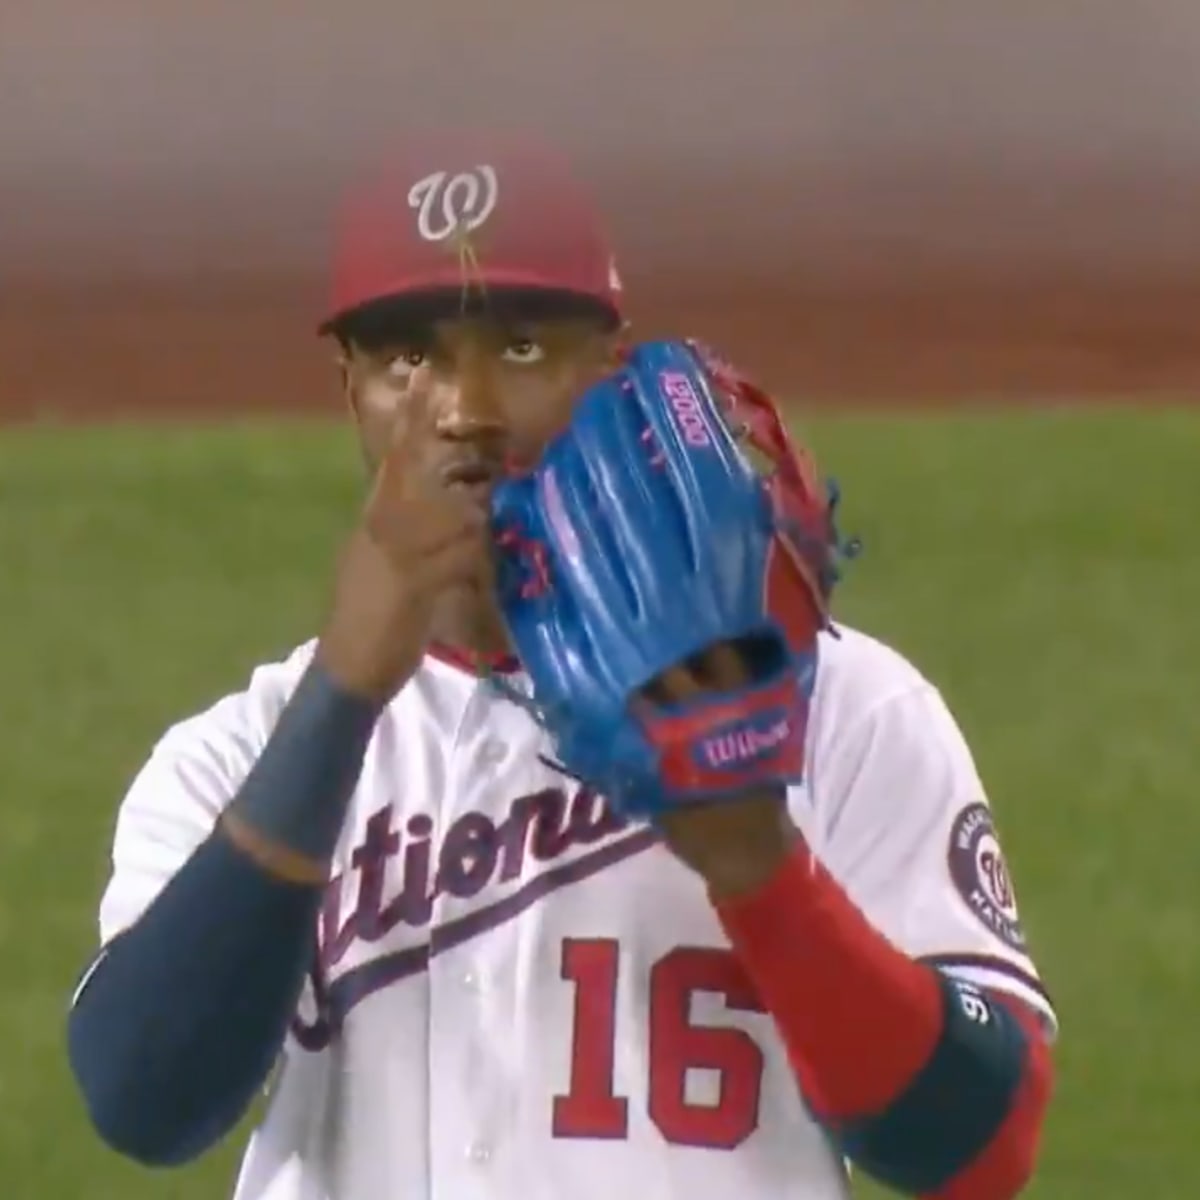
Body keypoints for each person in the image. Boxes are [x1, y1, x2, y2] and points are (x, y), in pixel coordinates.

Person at [66, 132, 1056, 1200]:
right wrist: (343, 695)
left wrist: (762, 870)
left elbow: (981, 1150)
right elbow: (147, 1102)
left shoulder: (833, 706)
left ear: (609, 367)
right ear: (349, 387)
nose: (469, 409)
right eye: (410, 356)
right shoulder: (235, 756)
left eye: (524, 347)